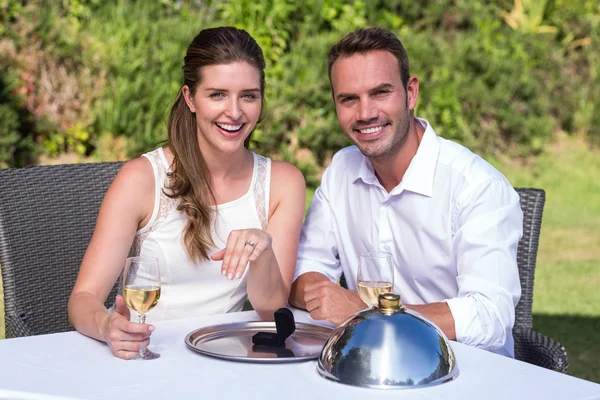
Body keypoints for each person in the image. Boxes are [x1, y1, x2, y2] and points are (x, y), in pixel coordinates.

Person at [68, 27, 305, 360]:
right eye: (217, 94)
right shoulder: (142, 178)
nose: (235, 112)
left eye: (248, 95)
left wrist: (263, 252)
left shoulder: (282, 183)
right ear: (190, 98)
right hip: (140, 357)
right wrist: (107, 327)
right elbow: (84, 297)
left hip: (222, 359)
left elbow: (270, 311)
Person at [288, 27, 523, 357]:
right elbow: (304, 268)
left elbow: (490, 316)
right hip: (368, 366)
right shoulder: (341, 170)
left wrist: (373, 315)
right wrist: (321, 291)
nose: (365, 113)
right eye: (349, 99)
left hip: (463, 372)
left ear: (410, 93)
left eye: (380, 93)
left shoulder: (476, 186)